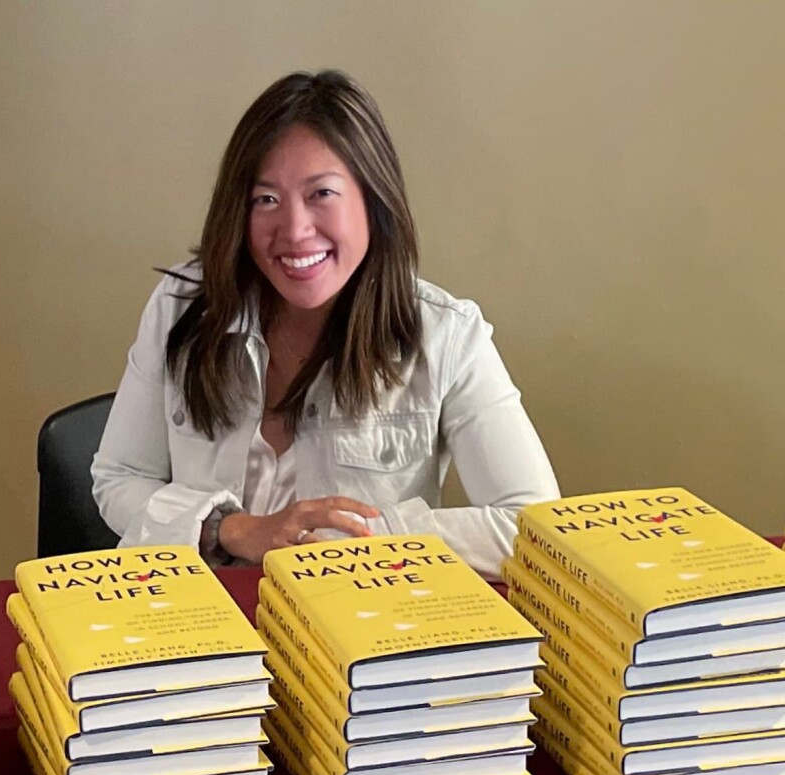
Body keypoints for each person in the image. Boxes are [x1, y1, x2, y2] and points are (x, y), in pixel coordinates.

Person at [91, 69, 559, 578]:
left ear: (372, 200)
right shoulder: (183, 306)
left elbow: (531, 528)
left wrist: (354, 539)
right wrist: (230, 528)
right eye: (265, 199)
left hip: (365, 633)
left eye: (321, 194)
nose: (294, 230)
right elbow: (120, 477)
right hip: (203, 628)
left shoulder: (447, 335)